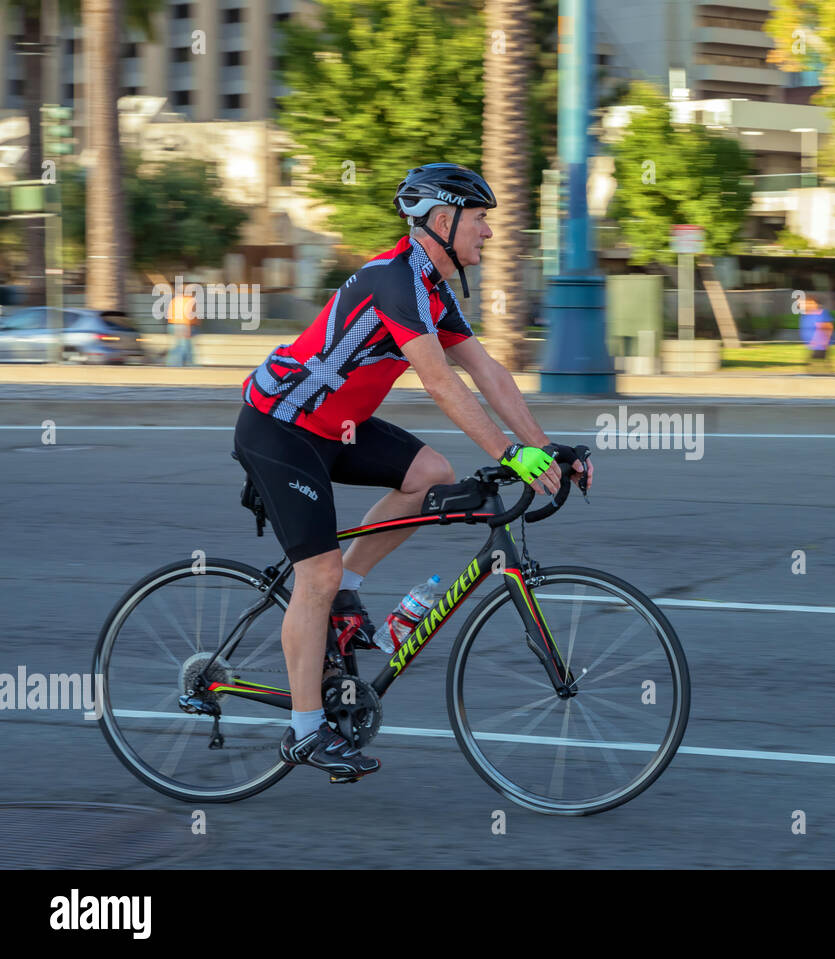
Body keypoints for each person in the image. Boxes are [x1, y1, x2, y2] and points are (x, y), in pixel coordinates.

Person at [232, 163, 594, 782]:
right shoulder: (395, 281)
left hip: (334, 427)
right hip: (282, 429)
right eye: (480, 219)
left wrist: (545, 445)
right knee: (313, 574)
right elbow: (439, 381)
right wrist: (510, 455)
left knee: (430, 473)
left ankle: (347, 587)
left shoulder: (432, 289)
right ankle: (305, 731)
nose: (488, 232)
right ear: (443, 220)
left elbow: (488, 373)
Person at [799, 294, 835, 372]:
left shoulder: (821, 313)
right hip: (813, 345)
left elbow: (828, 327)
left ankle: (828, 374)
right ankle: (828, 373)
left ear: (815, 304)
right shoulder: (806, 315)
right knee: (816, 364)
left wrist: (823, 342)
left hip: (820, 345)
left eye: (808, 303)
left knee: (815, 364)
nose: (806, 305)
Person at [166, 287, 198, 366]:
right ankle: (185, 363)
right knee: (184, 346)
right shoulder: (189, 300)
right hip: (183, 325)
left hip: (173, 325)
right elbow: (187, 315)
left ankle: (177, 363)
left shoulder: (175, 300)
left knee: (181, 345)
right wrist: (187, 328)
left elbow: (169, 313)